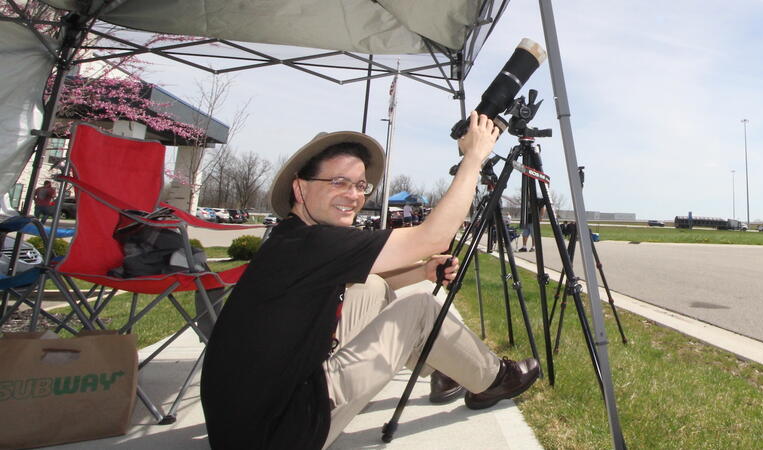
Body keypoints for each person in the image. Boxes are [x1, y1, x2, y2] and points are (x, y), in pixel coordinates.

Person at [201, 112, 539, 449]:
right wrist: (474, 157)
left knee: (372, 287)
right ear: (300, 187)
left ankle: (444, 364)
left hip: (245, 421)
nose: (353, 195)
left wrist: (422, 271)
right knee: (421, 309)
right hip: (282, 430)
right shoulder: (314, 244)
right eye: (338, 182)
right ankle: (494, 379)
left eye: (360, 185)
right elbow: (433, 237)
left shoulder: (293, 238)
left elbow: (373, 275)